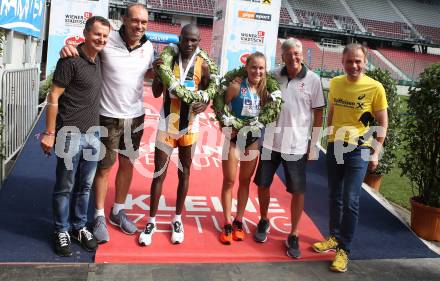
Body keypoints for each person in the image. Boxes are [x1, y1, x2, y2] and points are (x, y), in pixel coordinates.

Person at [60, 4, 155, 243]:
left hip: (135, 116)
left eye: (144, 22)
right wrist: (68, 47)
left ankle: (118, 210)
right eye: (135, 21)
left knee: (127, 164)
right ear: (124, 19)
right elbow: (86, 51)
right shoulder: (108, 40)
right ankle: (99, 215)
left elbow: (148, 74)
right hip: (107, 116)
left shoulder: (149, 46)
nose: (139, 26)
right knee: (104, 168)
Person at [312, 44, 388, 273]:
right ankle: (334, 237)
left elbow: (382, 122)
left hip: (360, 149)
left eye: (358, 61)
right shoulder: (335, 83)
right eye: (349, 61)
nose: (354, 66)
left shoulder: (375, 87)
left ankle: (344, 249)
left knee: (351, 199)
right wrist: (328, 138)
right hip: (336, 146)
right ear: (342, 62)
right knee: (334, 195)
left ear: (365, 62)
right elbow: (332, 112)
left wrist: (375, 151)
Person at [40, 16, 111, 256]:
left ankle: (79, 226)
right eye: (97, 34)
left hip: (93, 134)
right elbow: (53, 97)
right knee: (64, 186)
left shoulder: (100, 57)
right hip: (69, 134)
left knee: (85, 186)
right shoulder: (70, 60)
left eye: (104, 36)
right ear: (85, 33)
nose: (101, 39)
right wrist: (50, 133)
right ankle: (61, 229)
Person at [138, 24, 211, 246]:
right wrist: (159, 75)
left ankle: (177, 219)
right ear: (180, 39)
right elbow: (157, 92)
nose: (189, 44)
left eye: (194, 40)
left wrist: (204, 105)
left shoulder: (204, 65)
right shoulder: (168, 59)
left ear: (199, 42)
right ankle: (151, 221)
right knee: (158, 173)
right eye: (186, 39)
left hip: (190, 127)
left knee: (184, 173)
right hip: (167, 125)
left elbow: (207, 94)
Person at [252, 38, 325, 259]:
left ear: (302, 54)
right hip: (270, 142)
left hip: (297, 145)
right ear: (282, 56)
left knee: (297, 191)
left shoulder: (313, 80)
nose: (294, 57)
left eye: (297, 53)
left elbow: (319, 115)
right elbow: (261, 99)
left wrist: (314, 145)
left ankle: (293, 233)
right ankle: (264, 220)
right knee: (263, 185)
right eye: (289, 54)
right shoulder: (273, 75)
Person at [218, 52, 269, 245]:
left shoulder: (265, 91)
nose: (257, 71)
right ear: (246, 67)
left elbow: (267, 114)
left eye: (261, 68)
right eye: (254, 67)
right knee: (229, 181)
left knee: (245, 181)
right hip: (233, 139)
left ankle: (239, 219)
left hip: (252, 141)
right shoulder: (235, 86)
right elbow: (219, 108)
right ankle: (227, 221)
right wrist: (223, 127)